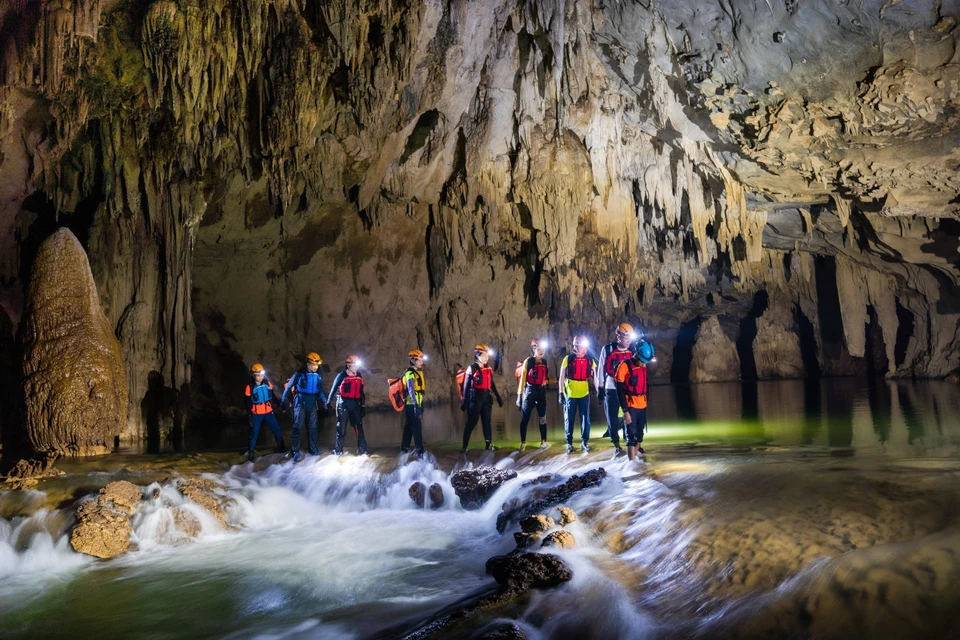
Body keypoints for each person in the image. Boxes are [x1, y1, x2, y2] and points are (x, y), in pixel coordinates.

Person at [596, 323, 636, 456]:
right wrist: (600, 388)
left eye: (630, 337)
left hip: (626, 390)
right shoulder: (607, 349)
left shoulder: (633, 351)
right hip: (611, 388)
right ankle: (616, 445)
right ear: (618, 337)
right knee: (612, 418)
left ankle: (629, 441)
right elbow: (601, 368)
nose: (628, 340)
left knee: (628, 416)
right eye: (626, 337)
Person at [281, 352, 327, 462]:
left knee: (313, 428)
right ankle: (295, 451)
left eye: (317, 365)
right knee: (297, 427)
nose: (316, 367)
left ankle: (313, 449)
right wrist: (283, 400)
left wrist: (325, 401)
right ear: (308, 364)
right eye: (313, 364)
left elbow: (320, 390)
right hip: (300, 402)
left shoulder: (317, 376)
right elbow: (288, 387)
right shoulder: (299, 374)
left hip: (312, 403)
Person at [615, 339, 654, 461]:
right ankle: (631, 465)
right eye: (642, 361)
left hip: (642, 405)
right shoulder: (624, 366)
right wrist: (625, 411)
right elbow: (619, 391)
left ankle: (634, 463)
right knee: (631, 437)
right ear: (636, 355)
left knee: (639, 436)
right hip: (630, 406)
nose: (644, 365)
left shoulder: (643, 365)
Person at [460, 344, 503, 453]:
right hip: (475, 398)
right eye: (484, 355)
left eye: (487, 356)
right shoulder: (472, 368)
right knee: (471, 422)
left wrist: (498, 397)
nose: (486, 358)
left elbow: (491, 383)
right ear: (478, 355)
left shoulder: (488, 368)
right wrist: (464, 401)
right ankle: (464, 446)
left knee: (487, 422)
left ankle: (488, 445)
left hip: (486, 397)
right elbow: (466, 385)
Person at [558, 336, 597, 453]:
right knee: (569, 419)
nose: (584, 350)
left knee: (586, 419)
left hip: (584, 393)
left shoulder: (590, 359)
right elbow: (561, 377)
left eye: (585, 347)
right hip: (570, 394)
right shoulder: (568, 359)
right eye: (581, 347)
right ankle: (569, 443)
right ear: (575, 347)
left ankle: (584, 442)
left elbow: (595, 377)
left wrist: (599, 391)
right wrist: (561, 392)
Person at [326, 355, 368, 455]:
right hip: (343, 404)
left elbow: (361, 392)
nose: (357, 367)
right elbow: (333, 389)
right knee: (341, 428)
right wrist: (328, 402)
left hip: (355, 404)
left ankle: (362, 450)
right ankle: (338, 451)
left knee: (359, 427)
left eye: (357, 365)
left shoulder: (359, 375)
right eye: (355, 365)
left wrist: (363, 405)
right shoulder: (341, 376)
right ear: (349, 365)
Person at [244, 363, 285, 461]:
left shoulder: (267, 383)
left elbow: (273, 396)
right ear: (253, 375)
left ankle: (282, 449)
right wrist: (249, 414)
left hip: (268, 412)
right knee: (254, 433)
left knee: (276, 430)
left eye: (262, 375)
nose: (261, 377)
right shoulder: (250, 387)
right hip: (256, 413)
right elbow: (248, 402)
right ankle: (251, 453)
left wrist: (279, 404)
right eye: (258, 375)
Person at [516, 339, 550, 451]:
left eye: (543, 349)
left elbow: (545, 378)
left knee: (542, 419)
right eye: (539, 349)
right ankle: (523, 443)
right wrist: (519, 396)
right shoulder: (528, 361)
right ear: (534, 349)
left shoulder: (544, 362)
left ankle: (543, 442)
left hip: (541, 392)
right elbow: (523, 379)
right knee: (525, 419)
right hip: (530, 392)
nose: (541, 351)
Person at [400, 349, 427, 456]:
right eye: (419, 360)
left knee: (409, 426)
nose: (421, 362)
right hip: (411, 404)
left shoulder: (417, 372)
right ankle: (419, 450)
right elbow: (411, 389)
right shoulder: (410, 373)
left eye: (421, 360)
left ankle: (404, 448)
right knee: (416, 426)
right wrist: (416, 405)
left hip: (416, 403)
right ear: (413, 360)